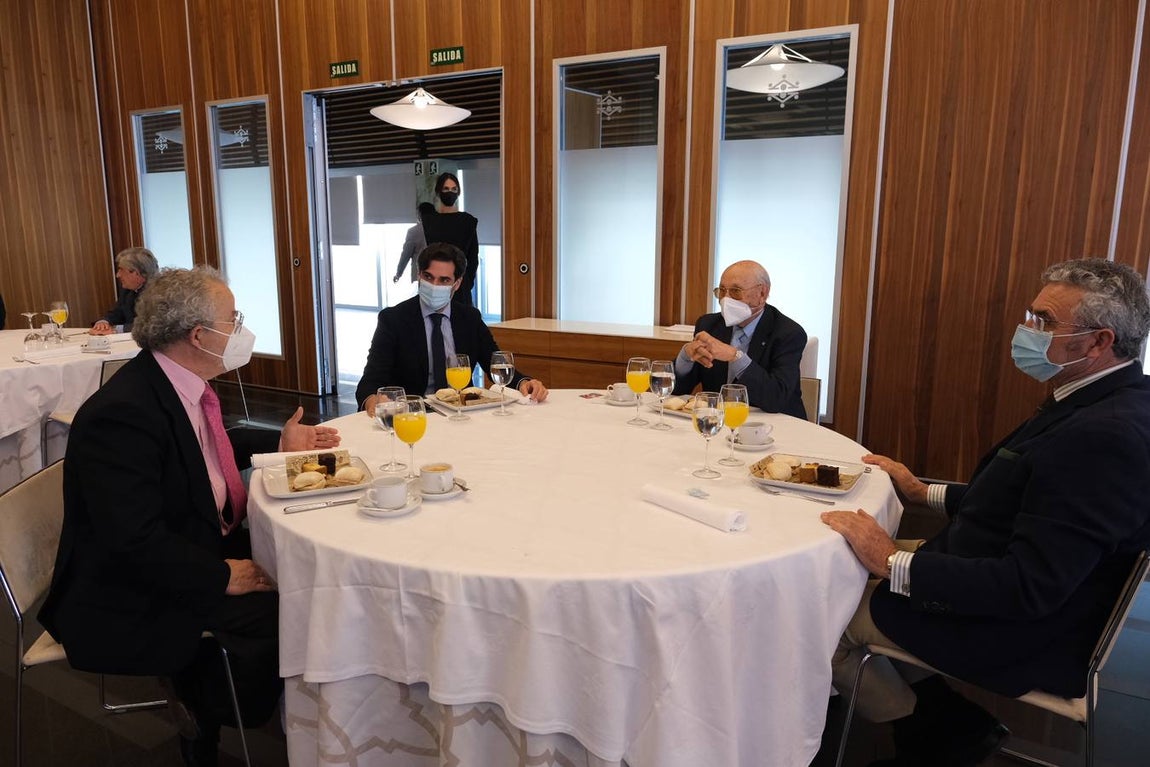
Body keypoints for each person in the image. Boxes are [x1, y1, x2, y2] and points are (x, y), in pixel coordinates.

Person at [822, 258, 1150, 767]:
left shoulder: (1102, 437)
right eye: (1030, 314)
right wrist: (920, 491)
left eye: (1044, 322)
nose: (1027, 330)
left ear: (1099, 342)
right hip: (990, 569)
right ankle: (951, 722)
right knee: (835, 571)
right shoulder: (1110, 397)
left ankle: (929, 736)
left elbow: (1028, 588)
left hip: (1025, 627)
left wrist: (891, 563)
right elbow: (1024, 502)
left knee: (821, 613)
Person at [39, 265, 341, 766]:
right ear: (199, 336)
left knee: (304, 571)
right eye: (233, 318)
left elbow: (209, 444)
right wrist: (221, 574)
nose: (241, 328)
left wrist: (279, 443)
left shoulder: (177, 381)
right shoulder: (122, 414)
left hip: (187, 541)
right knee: (288, 608)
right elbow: (131, 541)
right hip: (126, 590)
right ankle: (204, 709)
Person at [357, 242, 548, 414]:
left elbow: (495, 364)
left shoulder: (469, 318)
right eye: (428, 277)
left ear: (457, 284)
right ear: (419, 276)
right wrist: (372, 400)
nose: (434, 285)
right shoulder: (394, 319)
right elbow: (370, 381)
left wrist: (525, 383)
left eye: (444, 280)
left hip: (463, 412)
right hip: (413, 414)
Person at [672, 260, 807, 418]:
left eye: (735, 291)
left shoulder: (788, 333)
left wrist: (735, 357)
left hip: (774, 425)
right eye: (722, 291)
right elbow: (678, 391)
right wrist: (685, 357)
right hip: (718, 423)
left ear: (762, 293)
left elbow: (775, 398)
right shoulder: (709, 324)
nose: (726, 299)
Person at [421, 172, 480, 306]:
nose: (450, 192)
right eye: (446, 189)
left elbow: (473, 257)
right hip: (433, 284)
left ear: (458, 192)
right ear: (438, 191)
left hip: (459, 283)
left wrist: (465, 282)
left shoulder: (468, 221)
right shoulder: (428, 221)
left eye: (454, 189)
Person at [91, 246, 160, 334]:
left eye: (121, 270)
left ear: (136, 273)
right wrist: (104, 323)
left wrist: (116, 329)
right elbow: (116, 313)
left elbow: (152, 326)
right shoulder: (128, 291)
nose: (118, 275)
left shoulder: (159, 293)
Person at [393, 202, 436, 284]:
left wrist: (398, 274)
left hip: (421, 274)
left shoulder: (413, 231)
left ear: (420, 214)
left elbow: (405, 255)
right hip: (439, 273)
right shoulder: (440, 229)